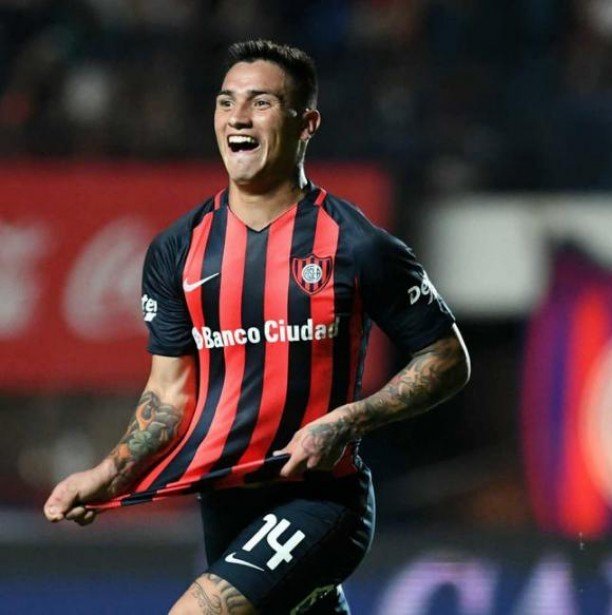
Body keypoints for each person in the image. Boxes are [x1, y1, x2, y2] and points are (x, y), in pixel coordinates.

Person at [43, 39, 470, 614]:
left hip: (320, 502)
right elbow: (169, 396)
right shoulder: (177, 249)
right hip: (225, 506)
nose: (238, 117)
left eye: (261, 102)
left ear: (306, 124)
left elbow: (446, 357)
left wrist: (348, 419)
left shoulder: (357, 245)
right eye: (227, 102)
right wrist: (107, 474)